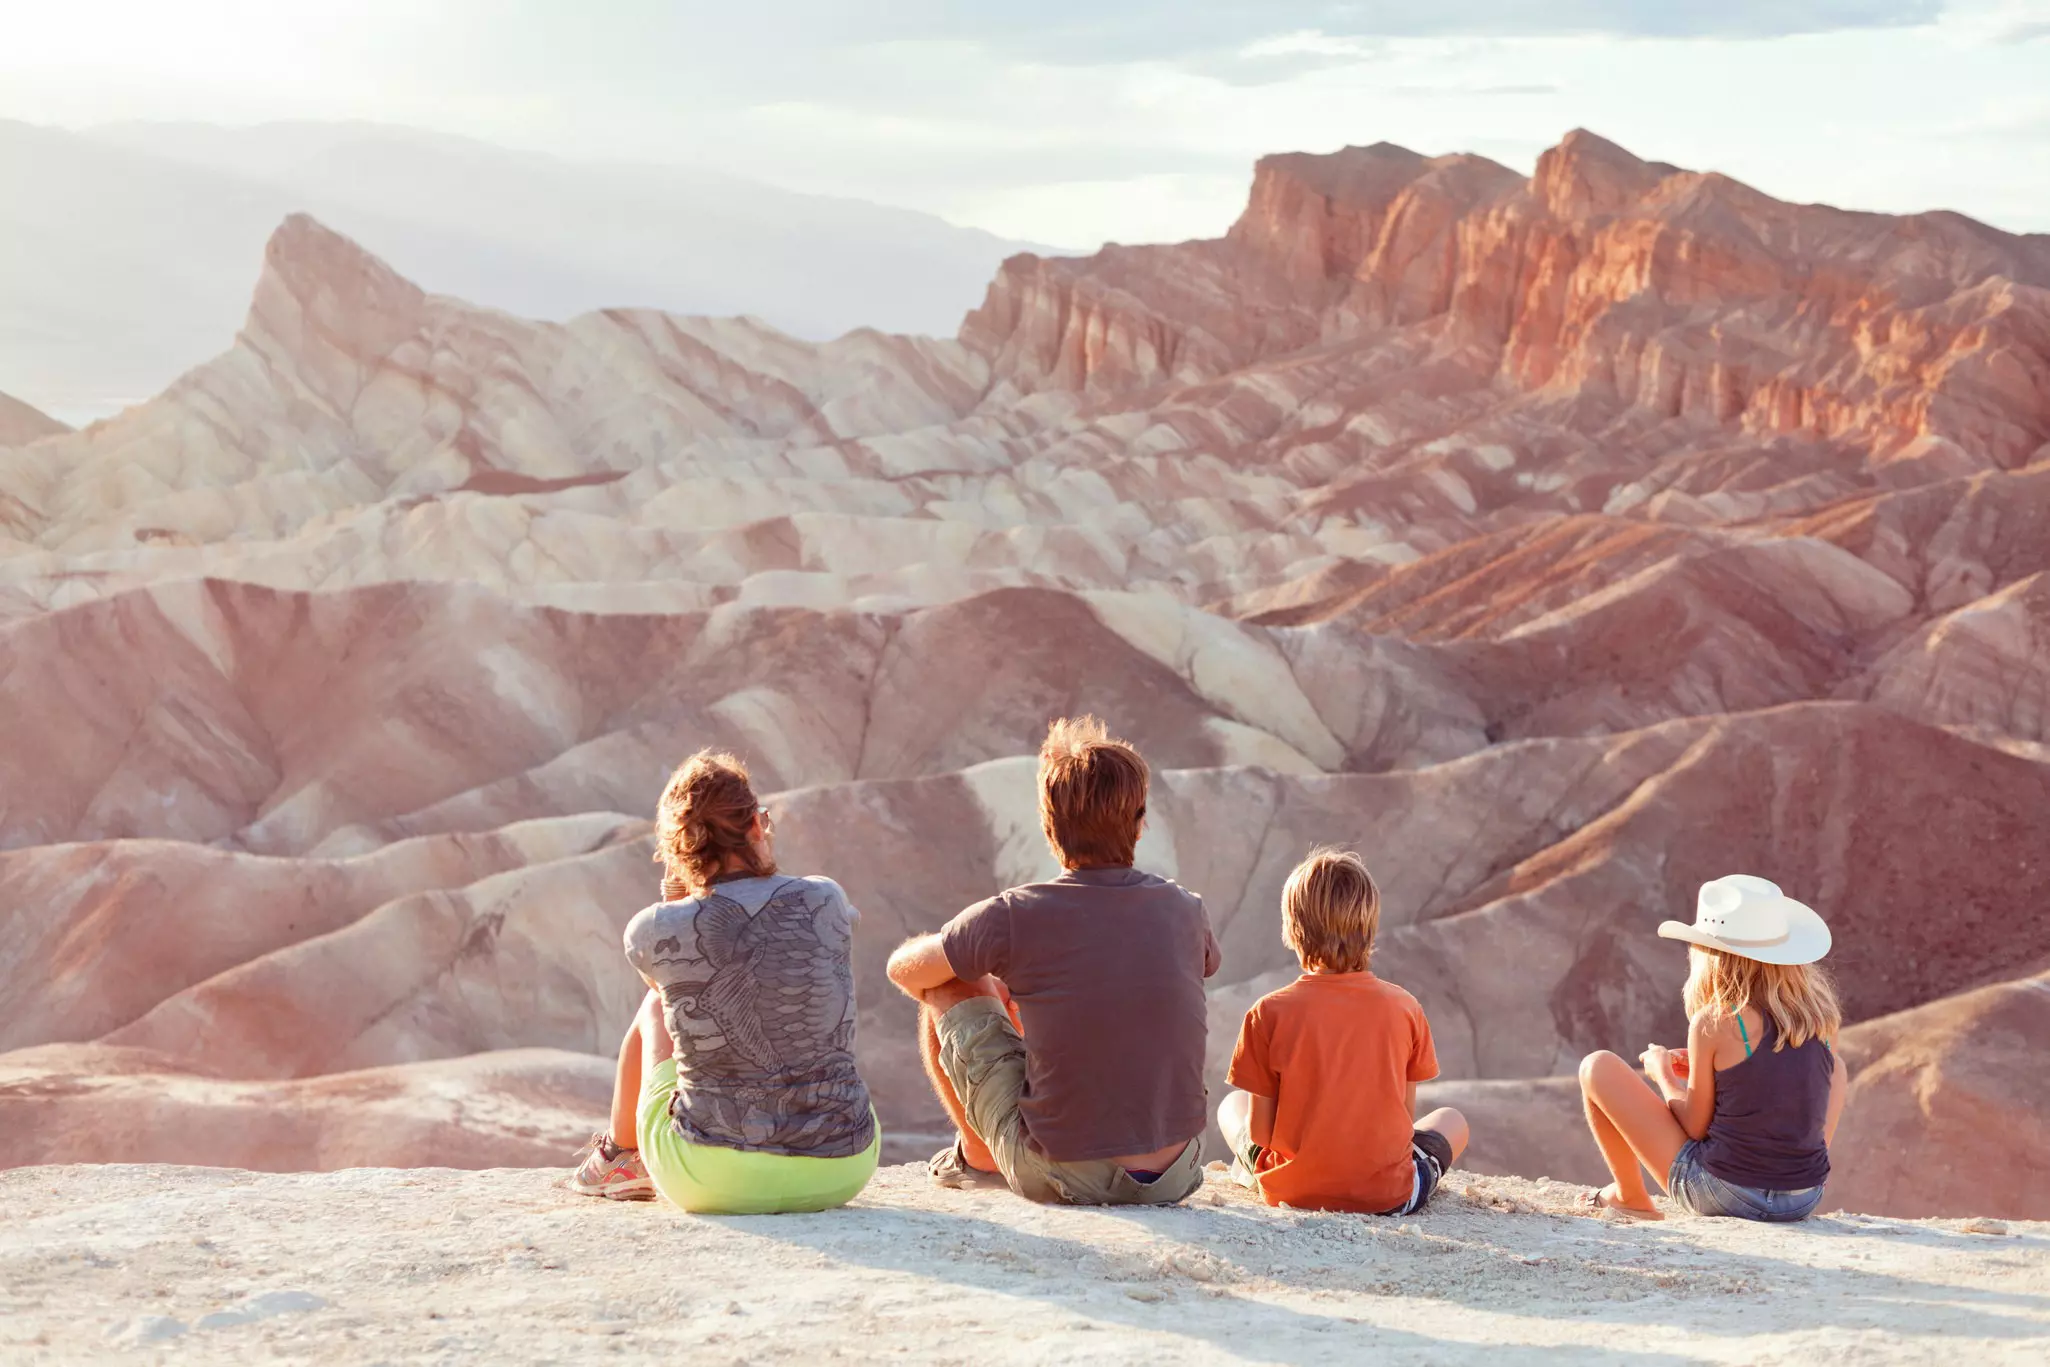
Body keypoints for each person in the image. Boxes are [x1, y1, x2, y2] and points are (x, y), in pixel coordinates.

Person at [884, 715, 1219, 1206]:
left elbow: (904, 971)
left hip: (1064, 1175)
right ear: (1140, 822)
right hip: (1177, 1170)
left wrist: (978, 970)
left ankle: (979, 1159)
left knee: (948, 985)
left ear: (1047, 825)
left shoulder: (1017, 915)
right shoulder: (1185, 909)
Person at [568, 750, 879, 1213]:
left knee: (656, 1009)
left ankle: (618, 1159)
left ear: (679, 850)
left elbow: (668, 992)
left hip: (713, 1180)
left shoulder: (651, 928)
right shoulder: (826, 897)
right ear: (757, 824)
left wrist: (681, 889)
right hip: (844, 1168)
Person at [1578, 874, 1847, 1221]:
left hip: (1726, 1194)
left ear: (1710, 955)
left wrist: (1661, 1073)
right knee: (1834, 1066)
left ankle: (1629, 1196)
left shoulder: (1716, 1021)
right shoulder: (1821, 1021)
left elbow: (1694, 1126)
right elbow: (1785, 1097)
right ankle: (1793, 1179)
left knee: (1597, 1066)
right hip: (1802, 1199)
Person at [1216, 848, 1469, 1215]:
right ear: (1369, 926)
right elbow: (1404, 1118)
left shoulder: (1267, 1013)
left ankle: (1255, 1174)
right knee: (1452, 1121)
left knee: (1231, 1106)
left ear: (1292, 928)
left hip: (1292, 1192)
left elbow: (1260, 1135)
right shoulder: (1405, 1007)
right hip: (1388, 1197)